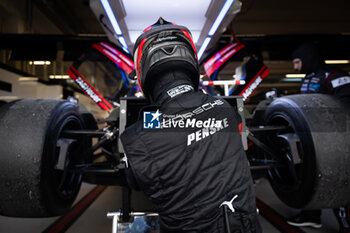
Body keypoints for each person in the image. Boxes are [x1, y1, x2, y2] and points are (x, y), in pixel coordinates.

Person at [120, 17, 261, 233]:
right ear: (191, 62)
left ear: (142, 70)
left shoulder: (138, 136)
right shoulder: (225, 109)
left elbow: (135, 180)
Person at [287, 43, 350, 232]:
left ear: (307, 59)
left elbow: (347, 101)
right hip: (315, 141)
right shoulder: (308, 78)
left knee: (340, 181)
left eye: (297, 62)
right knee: (312, 177)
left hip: (339, 140)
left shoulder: (334, 75)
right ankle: (311, 215)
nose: (295, 67)